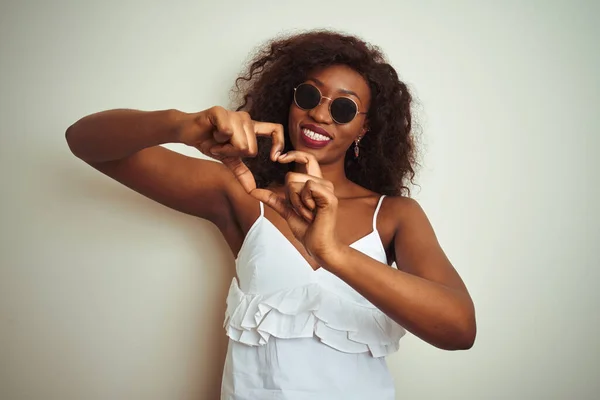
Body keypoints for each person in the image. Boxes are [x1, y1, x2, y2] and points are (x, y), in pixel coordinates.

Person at [65, 30, 476, 399]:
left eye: (344, 109)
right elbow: (84, 142)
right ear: (290, 100)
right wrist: (179, 125)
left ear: (365, 130)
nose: (319, 115)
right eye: (310, 97)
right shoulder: (244, 193)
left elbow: (459, 329)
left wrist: (332, 252)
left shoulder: (394, 215)